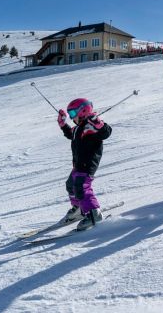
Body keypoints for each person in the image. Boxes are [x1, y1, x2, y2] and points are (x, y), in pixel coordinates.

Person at [56, 98, 112, 231]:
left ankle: (94, 214)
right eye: (70, 114)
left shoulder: (91, 127)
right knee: (71, 185)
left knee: (82, 187)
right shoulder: (78, 129)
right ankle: (78, 209)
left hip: (88, 164)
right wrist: (63, 124)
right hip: (78, 164)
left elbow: (106, 132)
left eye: (73, 113)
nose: (71, 117)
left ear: (83, 112)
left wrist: (99, 124)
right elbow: (71, 134)